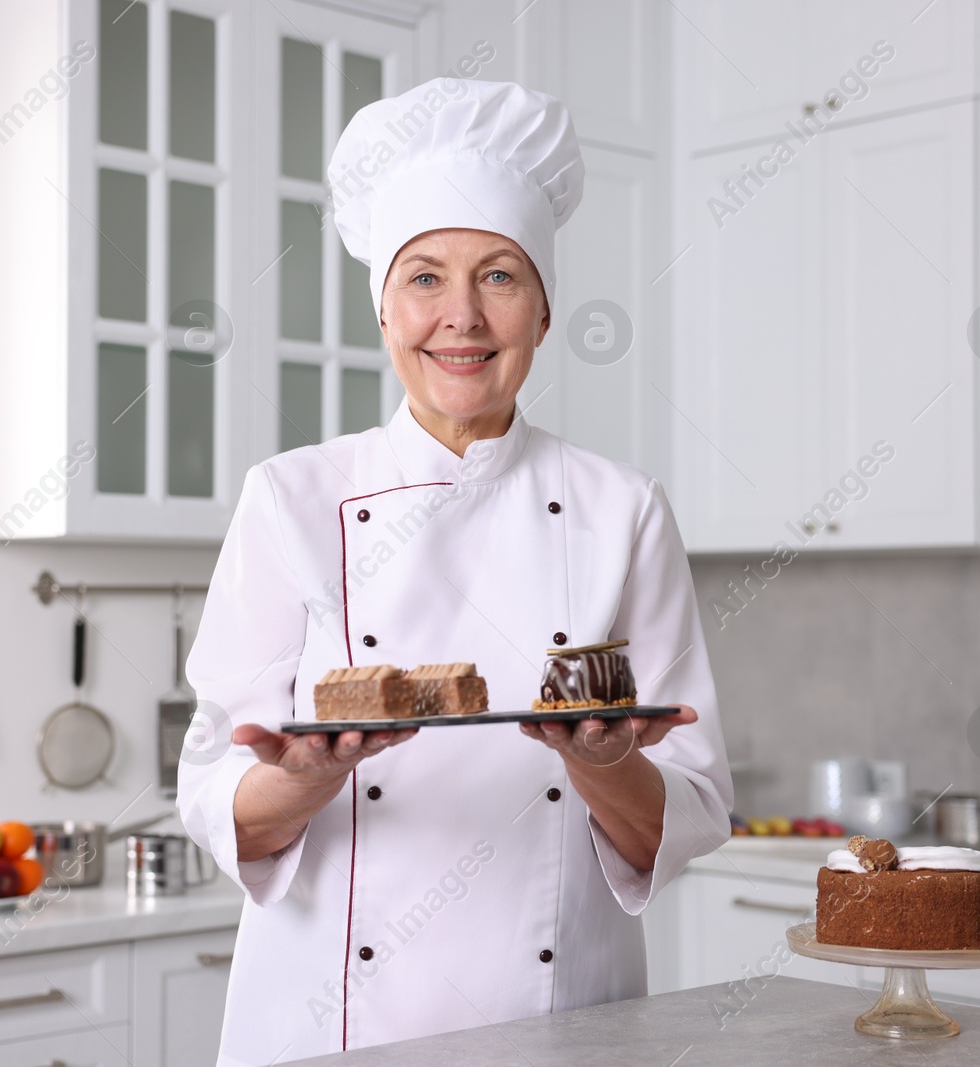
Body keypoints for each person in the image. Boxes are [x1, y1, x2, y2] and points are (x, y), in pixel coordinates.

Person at [178, 77, 732, 1067]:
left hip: (564, 1026)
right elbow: (216, 797)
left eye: (501, 276)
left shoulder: (623, 508)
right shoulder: (290, 498)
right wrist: (306, 776)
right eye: (425, 277)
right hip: (327, 1023)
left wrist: (602, 760)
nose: (462, 317)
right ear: (384, 311)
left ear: (545, 311)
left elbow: (678, 821)